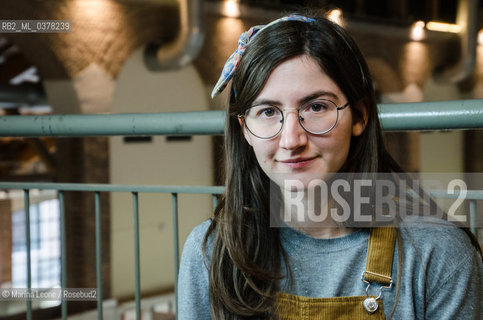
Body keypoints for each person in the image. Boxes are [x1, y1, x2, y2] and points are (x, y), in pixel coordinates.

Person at [178, 13, 483, 320]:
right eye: (268, 111)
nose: (291, 139)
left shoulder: (438, 254)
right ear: (244, 129)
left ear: (360, 116)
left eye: (316, 107)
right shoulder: (211, 253)